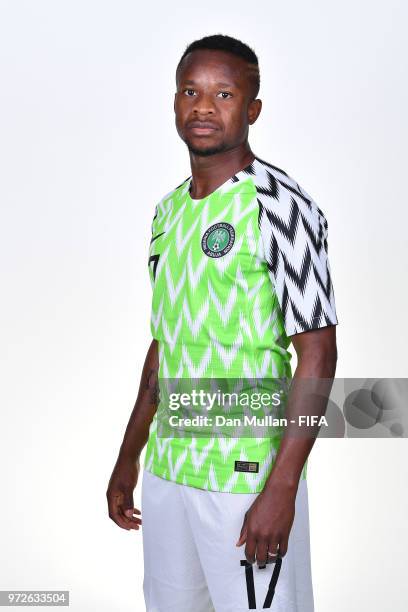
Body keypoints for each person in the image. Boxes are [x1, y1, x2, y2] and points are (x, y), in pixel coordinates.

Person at [106, 33, 338, 612]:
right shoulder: (167, 212)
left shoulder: (281, 207)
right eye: (191, 91)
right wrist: (128, 456)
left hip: (246, 477)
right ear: (175, 103)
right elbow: (164, 348)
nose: (204, 107)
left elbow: (318, 352)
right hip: (168, 469)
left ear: (252, 109)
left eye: (224, 93)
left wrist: (281, 488)